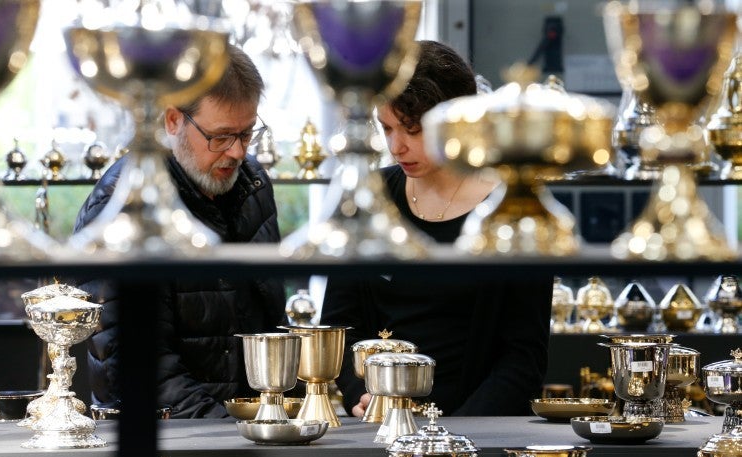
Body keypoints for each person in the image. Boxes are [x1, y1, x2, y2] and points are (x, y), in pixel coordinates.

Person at [322, 40, 553, 417]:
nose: (397, 146)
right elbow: (339, 328)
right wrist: (358, 396)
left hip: (479, 434)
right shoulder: (369, 195)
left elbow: (522, 359)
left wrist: (454, 437)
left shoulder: (513, 208)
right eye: (387, 128)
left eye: (413, 130)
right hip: (380, 430)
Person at [73, 44, 285, 418]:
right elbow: (131, 362)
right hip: (160, 438)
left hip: (249, 429)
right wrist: (227, 429)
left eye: (247, 133)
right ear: (173, 121)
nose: (237, 152)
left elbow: (272, 324)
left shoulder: (253, 184)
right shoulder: (124, 202)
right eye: (220, 137)